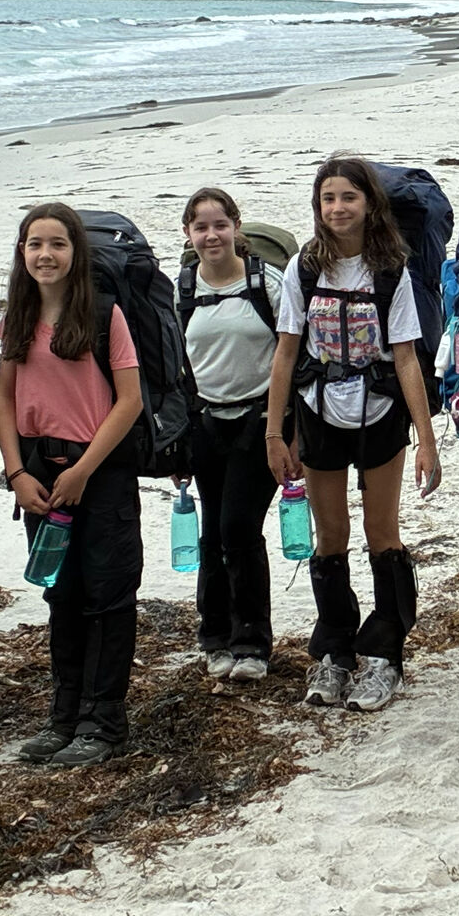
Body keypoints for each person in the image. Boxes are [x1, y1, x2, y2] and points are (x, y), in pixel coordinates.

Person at [266, 155, 441, 713]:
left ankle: (385, 654)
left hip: (381, 412)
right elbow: (286, 352)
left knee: (382, 532)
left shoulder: (390, 270)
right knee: (331, 537)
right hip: (318, 413)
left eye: (348, 197)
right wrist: (275, 433)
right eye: (328, 198)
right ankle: (335, 652)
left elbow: (406, 357)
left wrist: (426, 439)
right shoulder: (304, 268)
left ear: (369, 204)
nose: (338, 208)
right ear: (317, 206)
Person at [0, 203, 145, 766]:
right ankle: (63, 717)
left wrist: (83, 471)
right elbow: (3, 400)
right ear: (22, 252)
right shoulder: (16, 319)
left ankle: (104, 723)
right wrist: (16, 473)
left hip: (99, 472)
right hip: (39, 474)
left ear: (75, 252)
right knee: (61, 593)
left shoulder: (105, 315)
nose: (45, 255)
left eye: (57, 244)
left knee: (108, 595)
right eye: (35, 244)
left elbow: (129, 401)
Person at [175, 187, 282, 682]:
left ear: (237, 227)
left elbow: (293, 353)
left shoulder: (267, 285)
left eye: (220, 225)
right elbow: (172, 364)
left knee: (238, 528)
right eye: (201, 227)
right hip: (204, 424)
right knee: (212, 533)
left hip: (259, 422)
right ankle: (215, 637)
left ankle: (252, 644)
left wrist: (286, 431)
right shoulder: (181, 290)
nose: (212, 235)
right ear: (188, 233)